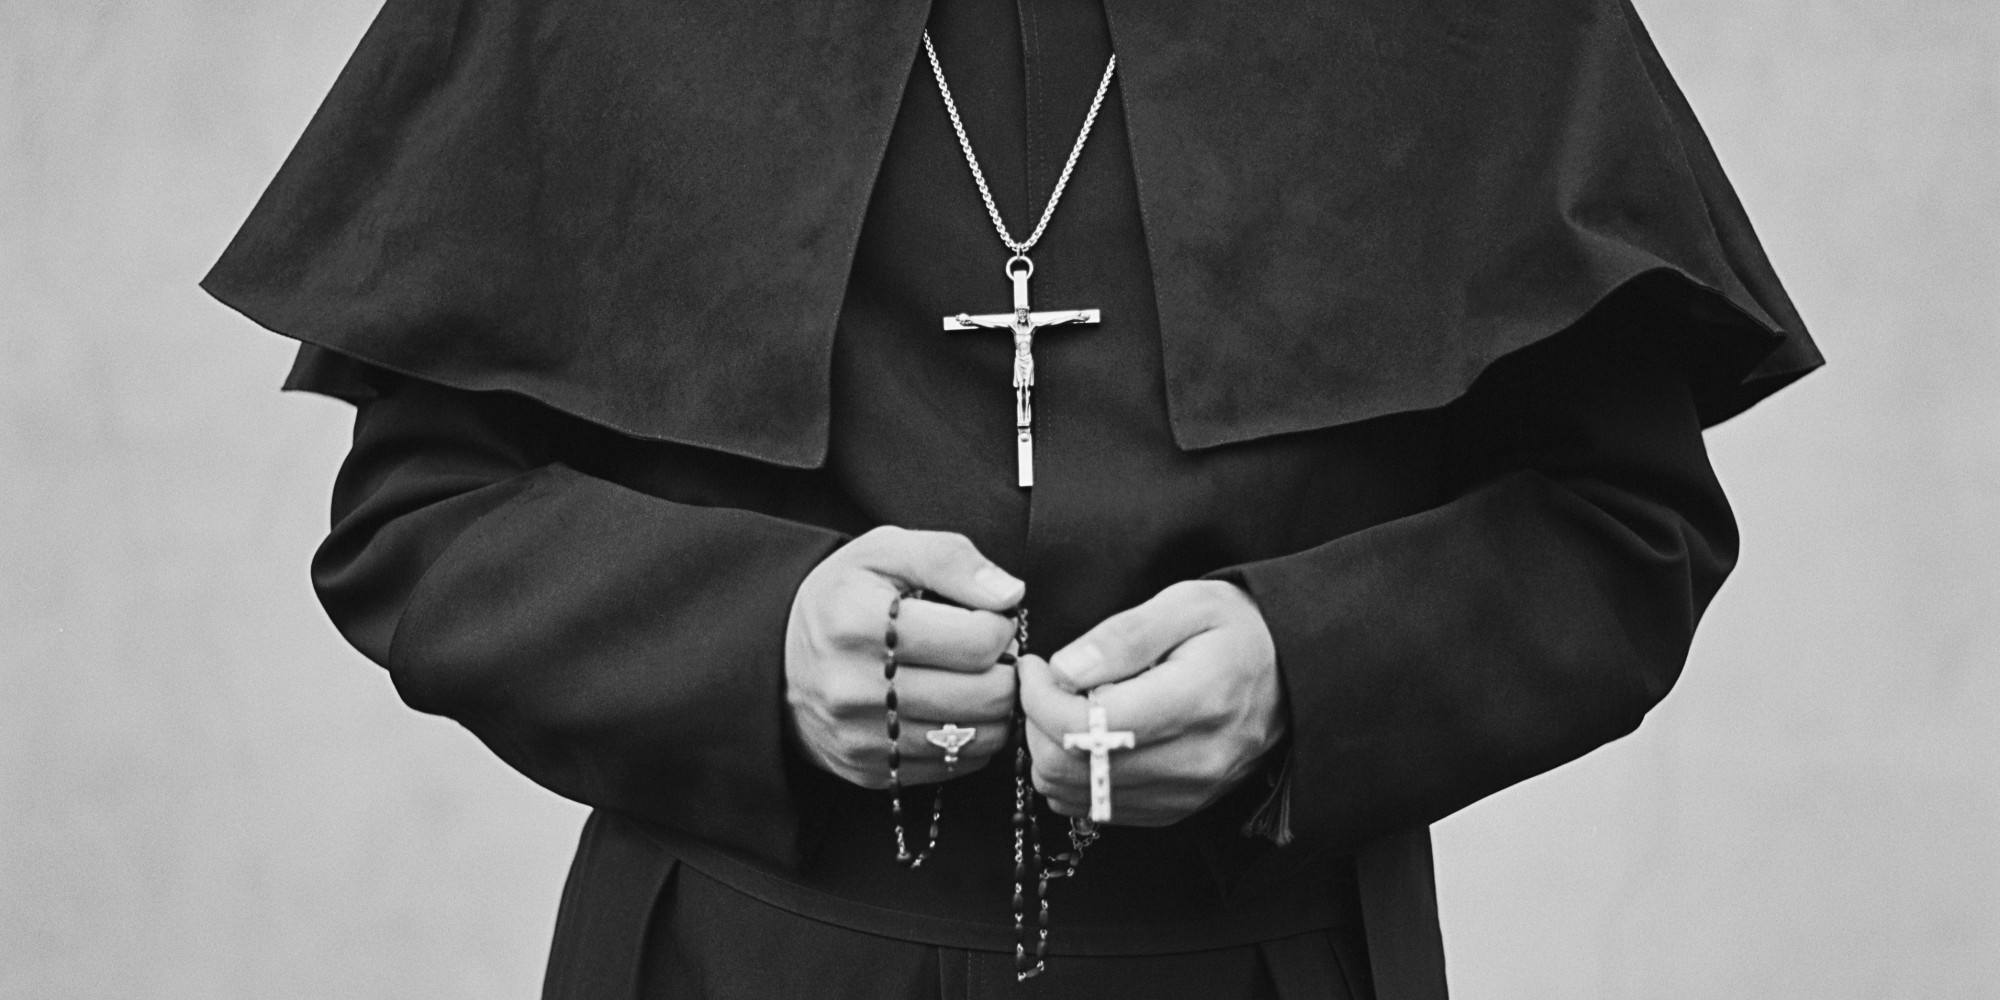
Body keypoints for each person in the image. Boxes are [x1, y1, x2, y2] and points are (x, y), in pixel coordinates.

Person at [205, 0, 1821, 997]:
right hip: (735, 964)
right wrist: (755, 643)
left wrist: (1303, 667)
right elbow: (420, 517)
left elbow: (1627, 529)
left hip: (1263, 964)